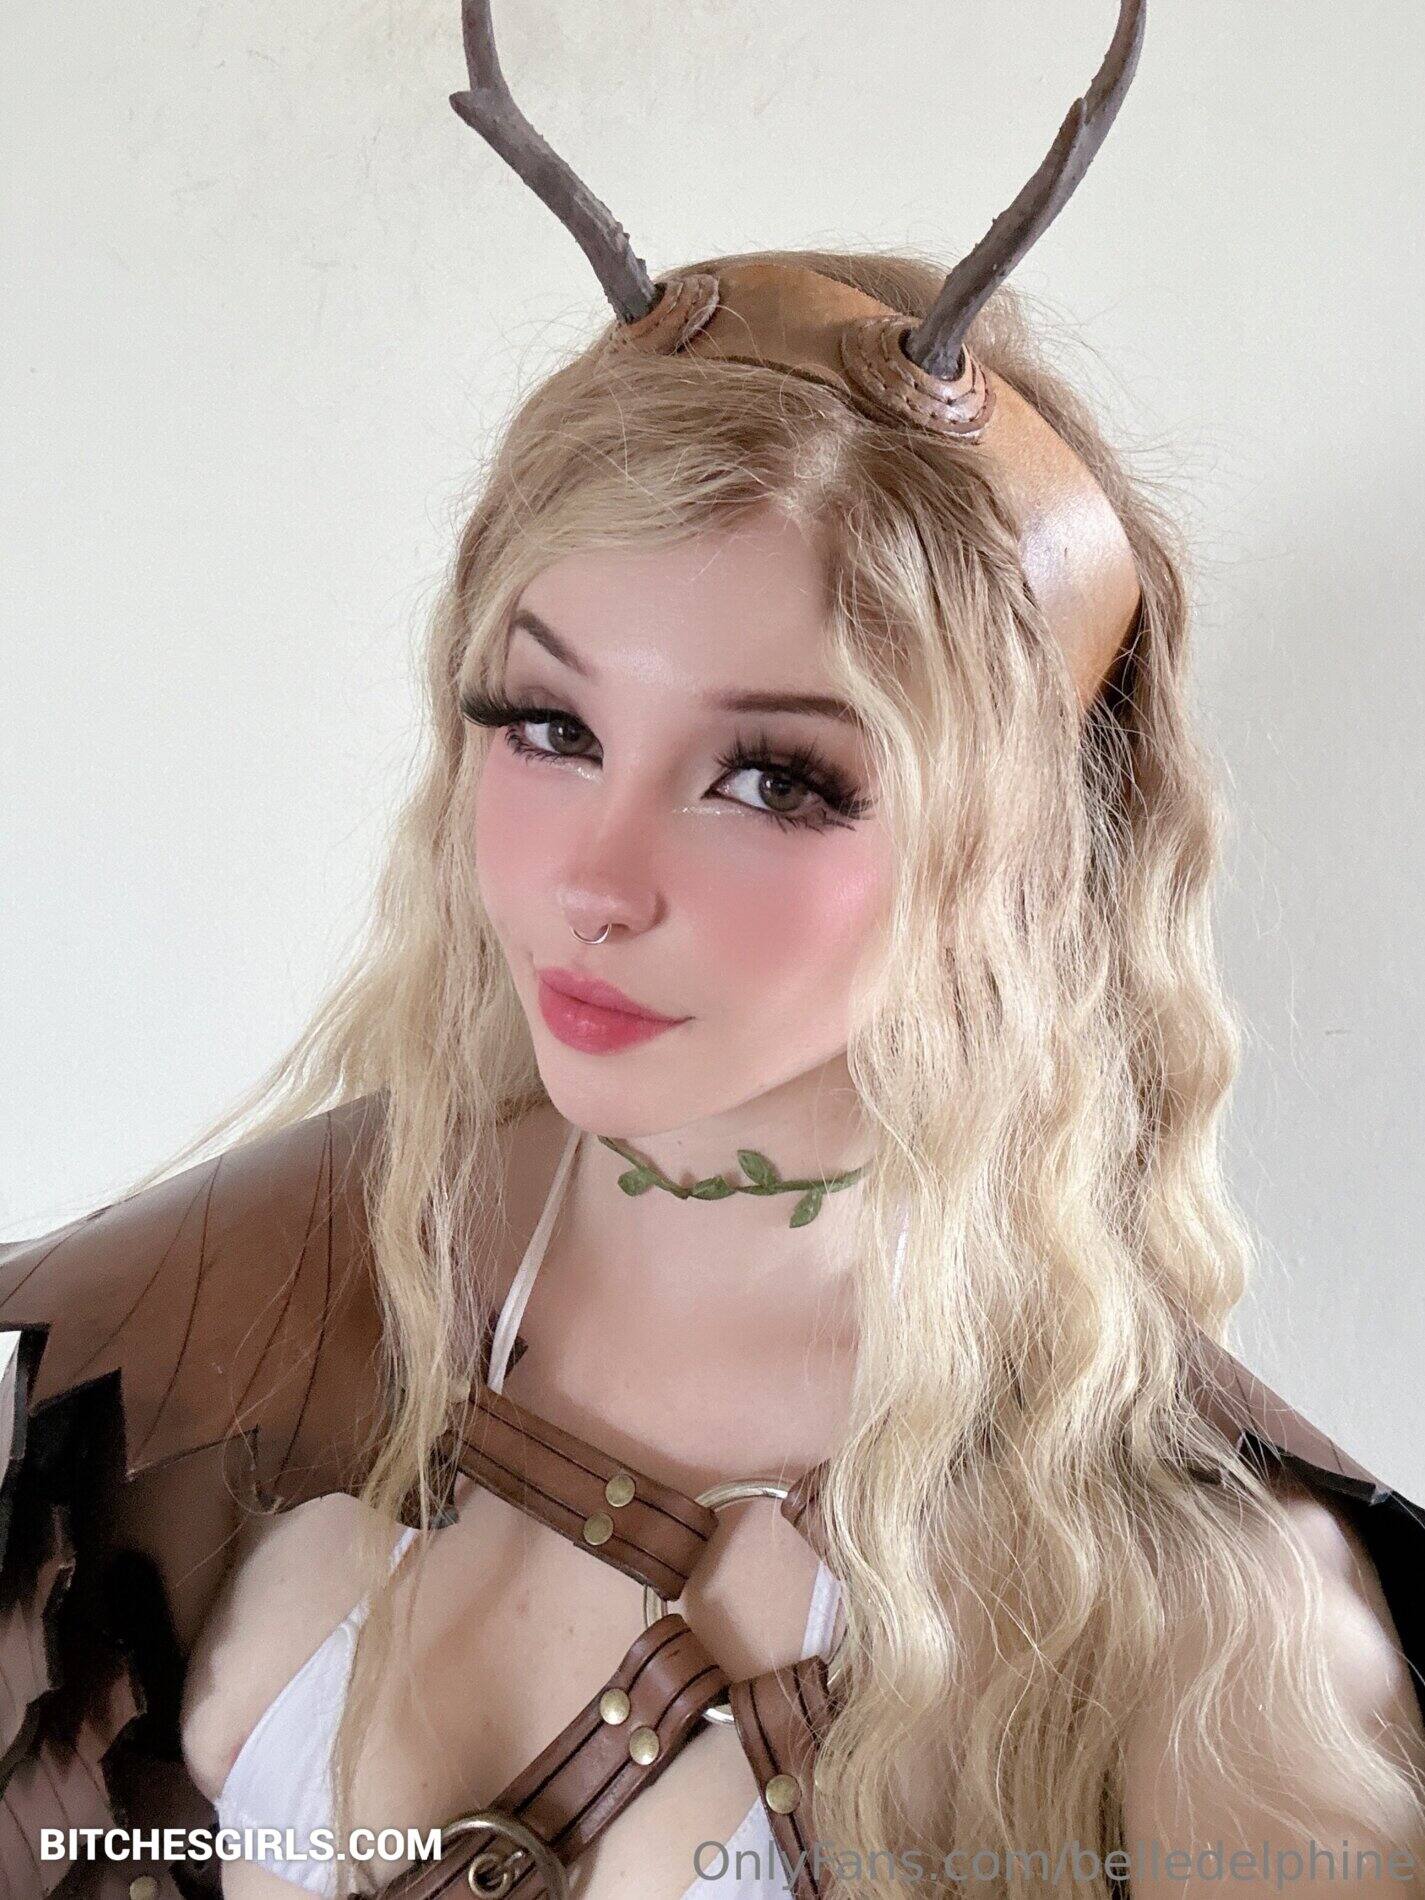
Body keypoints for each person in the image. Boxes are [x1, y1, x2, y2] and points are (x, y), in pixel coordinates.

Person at [2, 4, 1422, 1897]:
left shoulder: (1203, 1634)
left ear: (1019, 851)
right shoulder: (207, 1336)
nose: (595, 882)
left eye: (774, 778)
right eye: (548, 724)